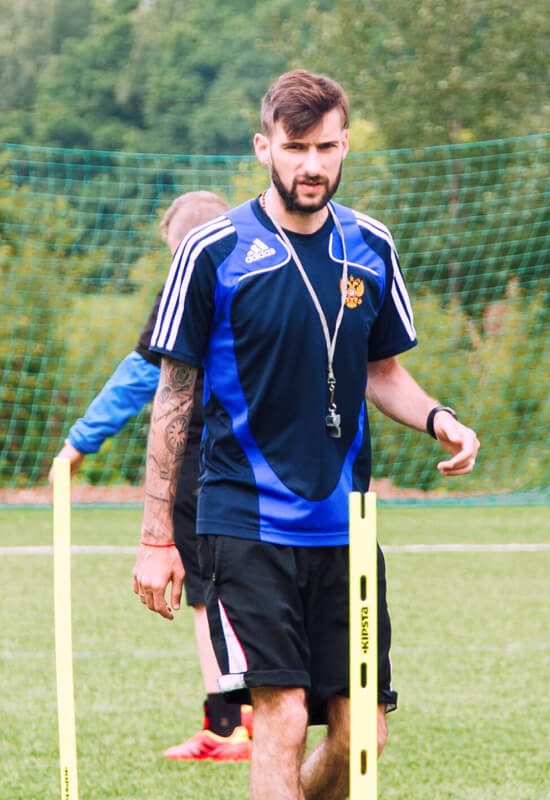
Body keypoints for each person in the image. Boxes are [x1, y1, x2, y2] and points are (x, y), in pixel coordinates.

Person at [133, 69, 480, 800]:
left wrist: (439, 418)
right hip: (244, 522)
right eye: (295, 148)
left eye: (326, 147)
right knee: (283, 716)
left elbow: (382, 371)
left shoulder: (371, 245)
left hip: (346, 528)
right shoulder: (213, 250)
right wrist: (158, 538)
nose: (312, 164)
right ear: (265, 148)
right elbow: (173, 397)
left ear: (345, 145)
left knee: (361, 739)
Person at [51, 190, 253, 761]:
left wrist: (78, 443)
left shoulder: (186, 288)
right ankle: (267, 717)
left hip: (203, 458)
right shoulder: (270, 276)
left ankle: (232, 727)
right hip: (277, 460)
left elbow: (141, 377)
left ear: (180, 244)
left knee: (209, 593)